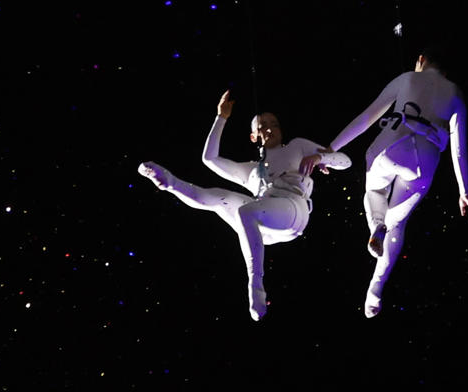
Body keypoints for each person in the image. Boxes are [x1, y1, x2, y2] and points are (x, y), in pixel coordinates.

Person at [137, 90, 350, 321]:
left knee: (245, 211)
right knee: (220, 198)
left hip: (293, 210)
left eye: (274, 124)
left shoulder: (296, 147)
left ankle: (255, 285)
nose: (269, 128)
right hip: (264, 223)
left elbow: (345, 161)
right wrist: (221, 117)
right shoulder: (250, 170)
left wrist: (320, 158)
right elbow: (210, 159)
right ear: (252, 137)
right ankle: (169, 183)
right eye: (262, 126)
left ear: (281, 130)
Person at [323, 50, 468, 318]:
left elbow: (366, 118)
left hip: (390, 144)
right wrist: (464, 192)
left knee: (373, 191)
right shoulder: (456, 95)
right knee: (398, 222)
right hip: (424, 159)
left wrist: (330, 149)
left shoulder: (407, 78)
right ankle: (375, 288)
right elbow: (459, 149)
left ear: (420, 60)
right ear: (447, 72)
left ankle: (377, 224)